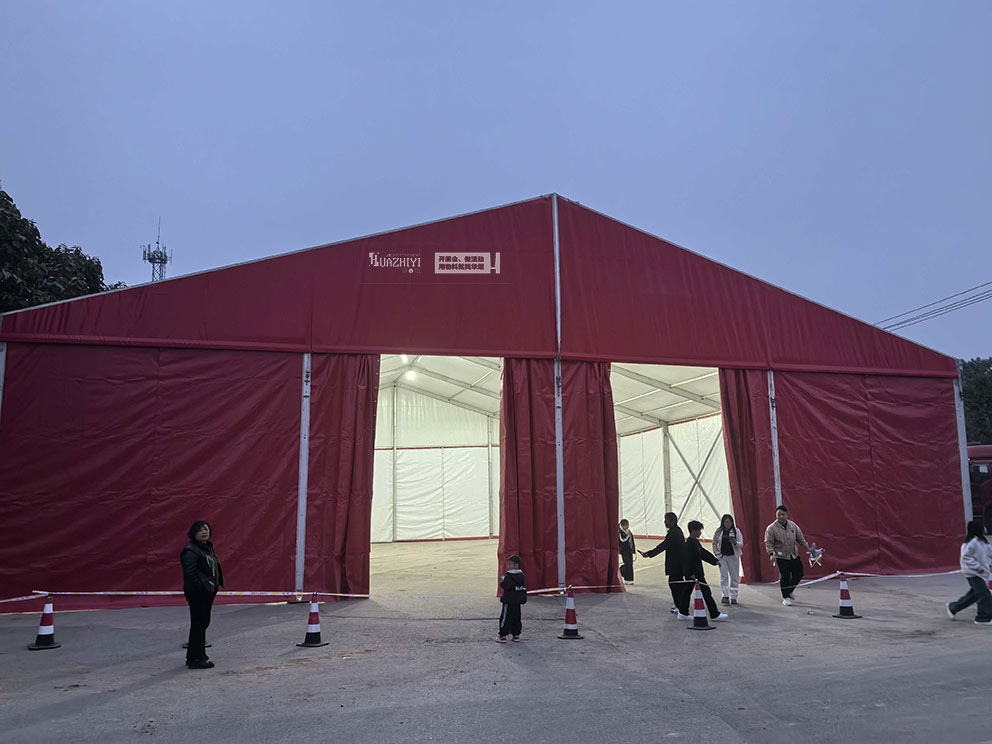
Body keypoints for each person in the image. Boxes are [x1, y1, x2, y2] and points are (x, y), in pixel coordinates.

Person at [181, 520, 223, 669]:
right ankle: (197, 659)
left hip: (208, 592)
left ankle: (195, 656)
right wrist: (200, 588)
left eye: (206, 529)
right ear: (194, 533)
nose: (204, 532)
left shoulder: (207, 548)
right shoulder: (190, 550)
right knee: (199, 625)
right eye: (200, 530)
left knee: (202, 623)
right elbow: (189, 573)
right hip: (198, 593)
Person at [638, 512, 691, 618]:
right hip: (678, 563)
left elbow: (663, 546)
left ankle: (680, 606)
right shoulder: (675, 531)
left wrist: (649, 554)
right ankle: (679, 605)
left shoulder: (674, 534)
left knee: (674, 584)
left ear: (672, 521)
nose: (664, 522)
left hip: (676, 564)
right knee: (676, 584)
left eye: (666, 520)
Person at [946, 519, 992, 625]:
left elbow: (989, 552)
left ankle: (953, 607)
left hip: (982, 573)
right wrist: (978, 568)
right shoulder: (970, 543)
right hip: (973, 573)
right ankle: (983, 617)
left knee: (975, 595)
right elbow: (966, 558)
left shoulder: (983, 542)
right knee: (984, 595)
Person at [764, 505, 811, 606]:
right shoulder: (771, 528)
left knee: (799, 573)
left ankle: (789, 591)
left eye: (783, 514)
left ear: (787, 515)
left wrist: (808, 549)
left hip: (793, 554)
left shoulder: (793, 526)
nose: (781, 517)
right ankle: (785, 597)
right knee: (785, 576)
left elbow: (800, 539)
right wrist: (771, 554)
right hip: (781, 556)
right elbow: (768, 542)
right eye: (779, 515)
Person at [686, 521, 729, 621]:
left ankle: (682, 612)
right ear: (693, 531)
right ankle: (714, 614)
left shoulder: (695, 542)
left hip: (697, 573)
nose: (700, 533)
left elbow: (703, 553)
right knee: (705, 592)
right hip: (694, 574)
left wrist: (714, 561)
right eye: (699, 531)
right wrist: (690, 573)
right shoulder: (689, 544)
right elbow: (688, 560)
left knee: (687, 593)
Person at [712, 514, 743, 605]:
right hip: (722, 557)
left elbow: (741, 544)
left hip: (733, 557)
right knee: (724, 577)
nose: (728, 524)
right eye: (726, 522)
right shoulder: (718, 531)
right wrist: (717, 553)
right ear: (723, 523)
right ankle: (725, 595)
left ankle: (734, 596)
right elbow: (714, 543)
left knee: (734, 577)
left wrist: (735, 543)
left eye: (729, 522)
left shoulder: (736, 531)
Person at [498, 554, 527, 642]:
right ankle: (516, 634)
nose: (508, 566)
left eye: (510, 564)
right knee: (516, 617)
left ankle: (503, 635)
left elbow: (505, 585)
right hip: (517, 600)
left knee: (506, 617)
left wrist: (503, 581)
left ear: (516, 565)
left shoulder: (509, 575)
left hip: (508, 600)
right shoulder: (522, 575)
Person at [618, 519, 636, 583]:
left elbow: (631, 542)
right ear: (622, 526)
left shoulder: (629, 531)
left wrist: (633, 550)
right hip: (624, 551)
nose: (627, 526)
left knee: (630, 564)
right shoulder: (620, 533)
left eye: (627, 524)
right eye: (625, 525)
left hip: (629, 551)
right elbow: (622, 540)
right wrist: (628, 536)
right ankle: (624, 575)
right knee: (627, 564)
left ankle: (630, 579)